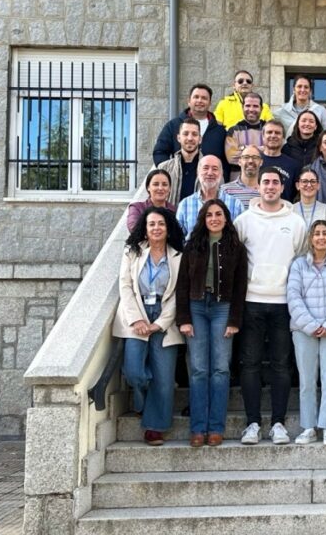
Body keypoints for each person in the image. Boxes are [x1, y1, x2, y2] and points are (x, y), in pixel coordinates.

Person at [233, 168, 307, 445]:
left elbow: (300, 258)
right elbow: (236, 259)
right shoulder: (244, 221)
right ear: (259, 186)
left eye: (276, 182)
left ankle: (278, 423)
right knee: (249, 364)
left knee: (281, 365)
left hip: (284, 303)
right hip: (251, 301)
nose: (271, 186)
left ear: (282, 187)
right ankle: (252, 423)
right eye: (266, 182)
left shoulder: (296, 222)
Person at [175, 199, 248, 447]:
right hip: (196, 307)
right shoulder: (193, 245)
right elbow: (182, 284)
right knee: (198, 370)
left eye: (218, 214)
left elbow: (241, 287)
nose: (214, 218)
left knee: (220, 369)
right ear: (203, 219)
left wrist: (234, 320)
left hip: (222, 309)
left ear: (226, 218)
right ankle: (198, 428)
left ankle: (216, 427)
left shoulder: (236, 248)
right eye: (209, 215)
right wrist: (183, 318)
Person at [113, 207, 185, 446]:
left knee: (164, 379)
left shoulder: (177, 256)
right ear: (145, 227)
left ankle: (155, 428)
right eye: (152, 224)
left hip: (165, 319)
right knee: (134, 371)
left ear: (168, 228)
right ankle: (143, 402)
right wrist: (137, 320)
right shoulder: (132, 252)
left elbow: (177, 294)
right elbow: (125, 286)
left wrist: (159, 323)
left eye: (161, 224)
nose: (156, 228)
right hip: (137, 314)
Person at [286, 220, 326, 446]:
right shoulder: (298, 265)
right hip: (304, 330)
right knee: (307, 381)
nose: (321, 237)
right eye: (317, 234)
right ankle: (308, 427)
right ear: (310, 239)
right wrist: (311, 325)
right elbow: (293, 296)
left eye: (325, 233)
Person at [152, 83, 226, 167]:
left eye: (204, 98)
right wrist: (170, 172)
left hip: (209, 178)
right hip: (178, 178)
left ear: (210, 103)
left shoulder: (220, 131)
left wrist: (220, 177)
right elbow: (160, 152)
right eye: (196, 97)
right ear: (189, 101)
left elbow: (225, 162)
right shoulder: (173, 125)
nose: (199, 100)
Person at [175, 154, 242, 238]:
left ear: (221, 174)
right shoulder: (185, 204)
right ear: (198, 172)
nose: (210, 173)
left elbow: (240, 238)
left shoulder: (236, 204)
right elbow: (178, 239)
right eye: (205, 168)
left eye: (215, 169)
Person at [157, 117, 204, 205]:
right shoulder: (164, 169)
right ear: (178, 138)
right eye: (185, 134)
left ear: (200, 139)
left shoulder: (211, 169)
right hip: (171, 218)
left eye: (194, 134)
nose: (190, 138)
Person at [224, 92, 267, 176]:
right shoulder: (234, 130)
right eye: (247, 106)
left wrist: (243, 148)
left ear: (261, 108)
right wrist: (261, 149)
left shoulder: (269, 130)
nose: (251, 109)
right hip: (238, 180)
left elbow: (273, 154)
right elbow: (231, 158)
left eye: (255, 106)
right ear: (242, 107)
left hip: (264, 181)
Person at [259, 121, 300, 201]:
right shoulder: (254, 162)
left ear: (283, 138)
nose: (273, 135)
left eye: (277, 133)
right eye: (269, 132)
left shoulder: (294, 165)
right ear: (263, 136)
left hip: (285, 211)